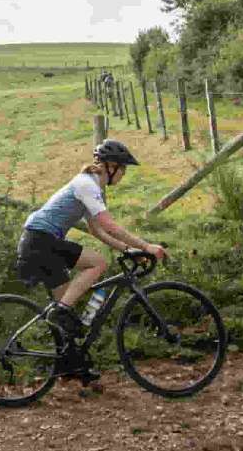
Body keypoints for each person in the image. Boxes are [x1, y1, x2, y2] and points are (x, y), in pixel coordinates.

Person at [16, 139, 167, 383]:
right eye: (123, 168)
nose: (124, 174)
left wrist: (128, 250)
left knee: (67, 315)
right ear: (110, 166)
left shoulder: (90, 186)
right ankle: (61, 312)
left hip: (40, 243)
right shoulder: (87, 184)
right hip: (41, 242)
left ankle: (70, 366)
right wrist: (146, 246)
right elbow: (109, 225)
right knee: (97, 263)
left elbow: (97, 231)